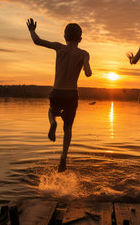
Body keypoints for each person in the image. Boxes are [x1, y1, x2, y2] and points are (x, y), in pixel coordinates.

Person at [27, 18, 92, 172]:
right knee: (68, 129)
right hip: (71, 95)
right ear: (80, 39)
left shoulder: (59, 47)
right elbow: (88, 73)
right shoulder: (84, 53)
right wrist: (85, 67)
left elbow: (37, 41)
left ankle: (52, 123)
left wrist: (32, 30)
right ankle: (63, 157)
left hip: (57, 92)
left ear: (64, 37)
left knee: (51, 111)